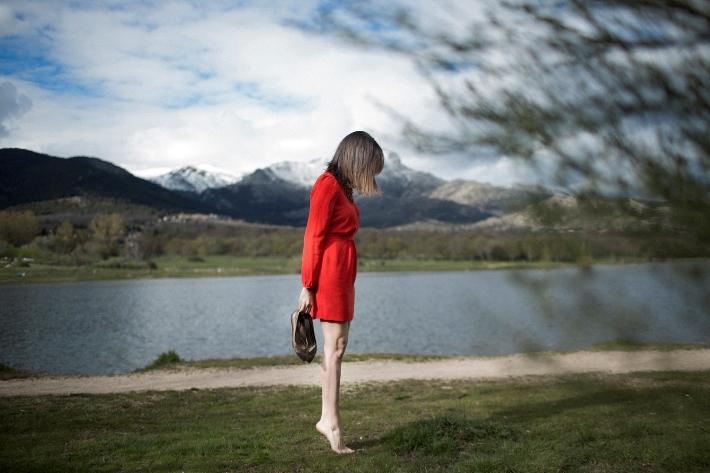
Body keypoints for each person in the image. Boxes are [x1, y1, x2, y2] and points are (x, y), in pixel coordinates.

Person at [298, 130, 384, 454]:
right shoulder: (327, 184)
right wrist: (308, 284)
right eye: (370, 167)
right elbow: (313, 235)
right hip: (329, 272)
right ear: (356, 159)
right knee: (334, 350)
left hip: (343, 272)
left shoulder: (344, 190)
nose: (371, 176)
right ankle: (330, 422)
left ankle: (326, 417)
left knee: (339, 347)